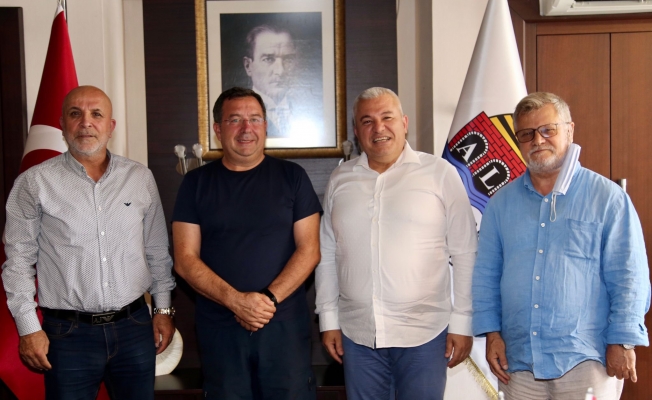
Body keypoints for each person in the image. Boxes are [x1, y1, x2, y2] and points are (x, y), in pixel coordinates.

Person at [2, 85, 176, 399]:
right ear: (62, 125)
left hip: (135, 327)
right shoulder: (34, 182)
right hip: (68, 336)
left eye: (96, 114)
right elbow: (17, 262)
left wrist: (163, 309)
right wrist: (28, 328)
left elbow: (156, 251)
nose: (86, 122)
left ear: (111, 126)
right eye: (75, 114)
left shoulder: (139, 178)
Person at [472, 92, 650, 399]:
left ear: (569, 130)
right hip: (519, 362)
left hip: (588, 358)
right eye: (527, 134)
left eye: (548, 130)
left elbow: (629, 276)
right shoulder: (500, 204)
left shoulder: (608, 199)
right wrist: (492, 333)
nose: (538, 140)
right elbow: (486, 275)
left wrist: (623, 341)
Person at [315, 87, 477, 400]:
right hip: (358, 334)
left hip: (425, 333)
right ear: (357, 131)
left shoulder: (440, 173)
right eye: (367, 121)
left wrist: (462, 322)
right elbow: (328, 254)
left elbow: (465, 252)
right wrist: (328, 319)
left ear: (404, 123)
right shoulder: (340, 179)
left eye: (387, 117)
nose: (379, 128)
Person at [172, 87, 322, 399]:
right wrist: (236, 302)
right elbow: (185, 259)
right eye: (235, 120)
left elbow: (309, 250)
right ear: (218, 129)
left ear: (265, 125)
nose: (246, 128)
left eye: (254, 119)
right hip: (220, 330)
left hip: (283, 330)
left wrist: (266, 301)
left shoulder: (293, 177)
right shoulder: (195, 183)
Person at [243, 25, 298, 138]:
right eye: (268, 59)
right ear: (248, 66)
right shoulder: (235, 114)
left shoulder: (310, 110)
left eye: (288, 60)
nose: (280, 71)